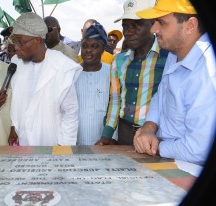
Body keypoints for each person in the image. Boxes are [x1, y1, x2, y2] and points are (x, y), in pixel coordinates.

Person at [133, 0, 216, 166]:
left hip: (190, 169)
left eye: (162, 22)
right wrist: (149, 128)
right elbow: (162, 95)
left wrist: (155, 147)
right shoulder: (175, 52)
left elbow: (198, 150)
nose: (153, 29)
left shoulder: (207, 73)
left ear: (190, 25)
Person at [97, 0, 169, 146]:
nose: (129, 32)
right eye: (125, 26)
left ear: (153, 24)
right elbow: (115, 101)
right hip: (125, 133)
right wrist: (107, 134)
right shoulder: (118, 61)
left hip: (157, 135)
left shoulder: (168, 57)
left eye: (136, 25)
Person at [8, 12, 82, 146]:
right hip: (23, 142)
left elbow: (70, 112)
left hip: (52, 143)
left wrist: (64, 148)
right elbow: (16, 99)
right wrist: (14, 125)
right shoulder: (16, 62)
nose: (16, 47)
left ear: (37, 40)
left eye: (20, 42)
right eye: (14, 41)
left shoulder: (61, 65)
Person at [75, 22, 114, 145]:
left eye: (94, 46)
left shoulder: (112, 73)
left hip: (104, 142)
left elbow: (116, 107)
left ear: (103, 49)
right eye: (85, 46)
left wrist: (112, 138)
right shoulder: (71, 73)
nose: (88, 50)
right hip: (74, 142)